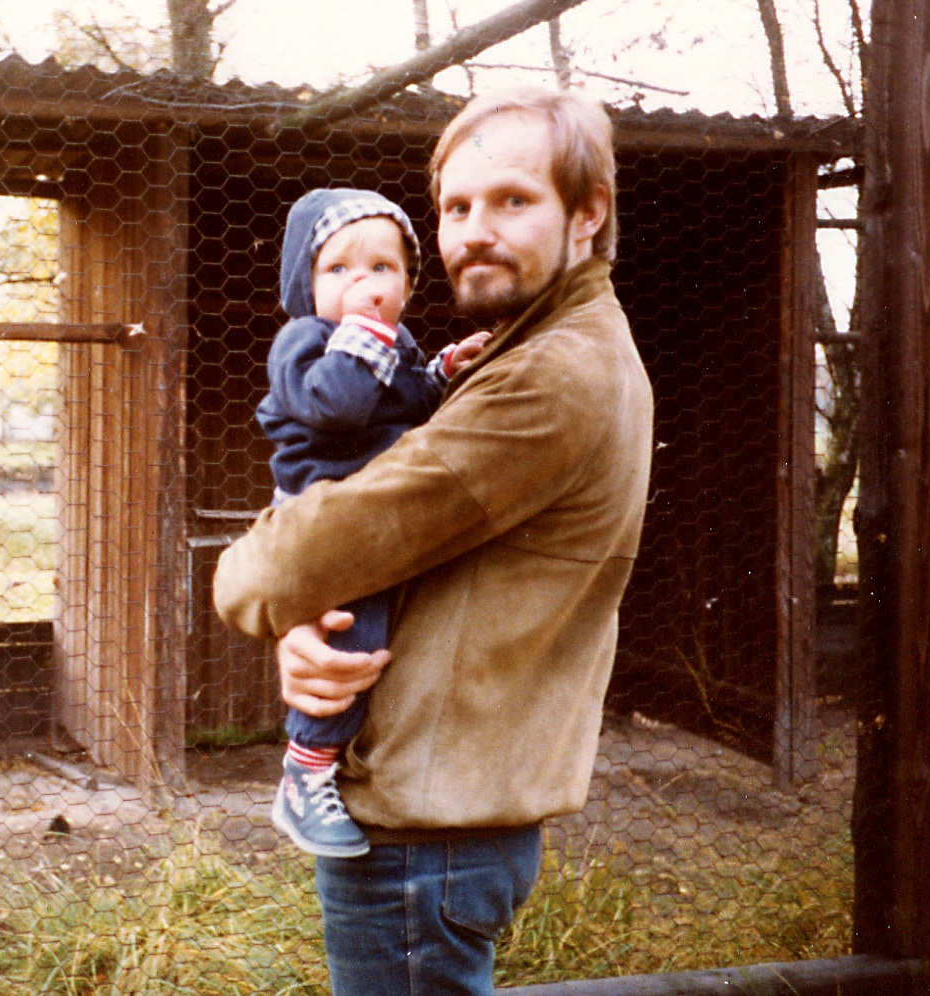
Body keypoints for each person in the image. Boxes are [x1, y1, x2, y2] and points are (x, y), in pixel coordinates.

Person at [213, 86, 654, 996]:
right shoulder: (536, 347)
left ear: (588, 214)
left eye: (512, 200)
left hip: (424, 838)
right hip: (437, 817)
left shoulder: (551, 377)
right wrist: (310, 624)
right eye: (456, 208)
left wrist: (260, 585)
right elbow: (383, 555)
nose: (474, 233)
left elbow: (292, 560)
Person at [258, 187, 487, 858]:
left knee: (385, 636)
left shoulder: (393, 340)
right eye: (338, 269)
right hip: (323, 512)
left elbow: (409, 399)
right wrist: (362, 335)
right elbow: (338, 407)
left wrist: (442, 369)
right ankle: (305, 773)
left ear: (408, 284)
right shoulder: (304, 340)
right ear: (306, 286)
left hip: (373, 512)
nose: (363, 283)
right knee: (347, 640)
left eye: (383, 268)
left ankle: (347, 759)